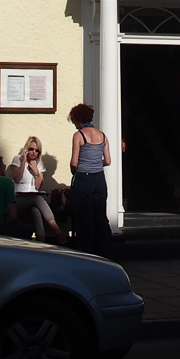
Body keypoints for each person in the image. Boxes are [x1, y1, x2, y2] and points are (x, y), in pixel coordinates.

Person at [68, 103, 114, 258]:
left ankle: (85, 253)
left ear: (77, 119)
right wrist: (95, 162)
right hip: (99, 179)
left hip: (84, 178)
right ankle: (105, 252)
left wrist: (76, 170)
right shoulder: (102, 135)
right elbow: (107, 161)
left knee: (84, 217)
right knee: (100, 216)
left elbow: (74, 162)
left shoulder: (79, 135)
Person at [8, 136, 65, 243]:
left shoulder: (38, 163)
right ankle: (57, 231)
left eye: (37, 150)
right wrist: (24, 162)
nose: (34, 152)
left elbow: (38, 187)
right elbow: (17, 179)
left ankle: (41, 240)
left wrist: (36, 173)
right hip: (18, 200)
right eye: (31, 149)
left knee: (36, 211)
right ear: (26, 149)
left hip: (33, 199)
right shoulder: (18, 159)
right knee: (37, 198)